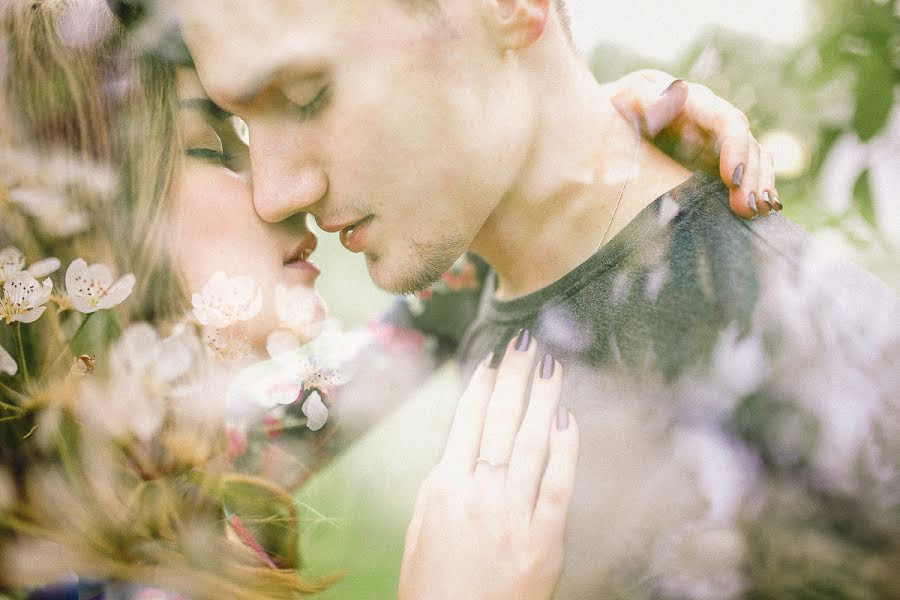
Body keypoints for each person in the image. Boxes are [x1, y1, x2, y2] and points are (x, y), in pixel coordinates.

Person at [0, 2, 779, 599]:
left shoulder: (206, 455)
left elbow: (420, 330)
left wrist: (581, 143)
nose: (279, 196)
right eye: (212, 148)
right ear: (80, 239)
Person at [153, 0, 900, 598]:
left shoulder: (831, 371)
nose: (277, 191)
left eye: (307, 97)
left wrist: (583, 157)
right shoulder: (174, 471)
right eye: (242, 129)